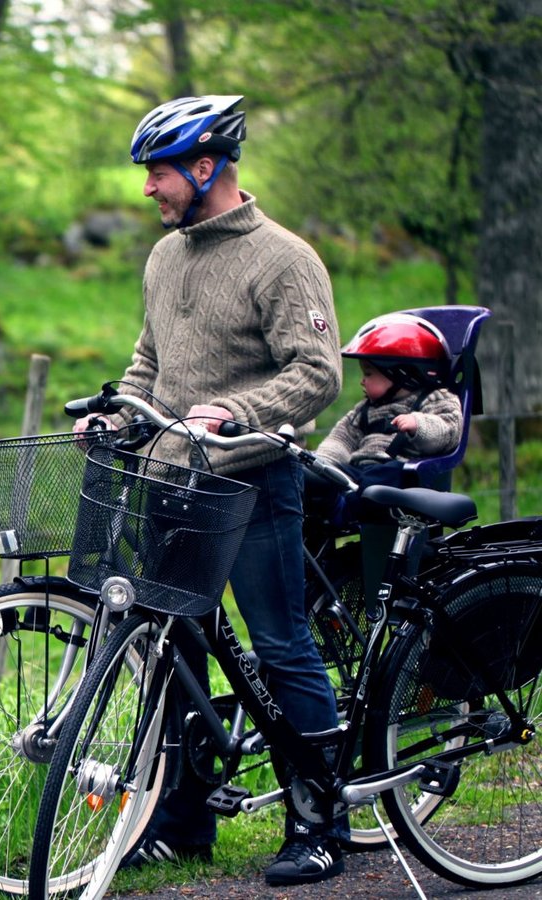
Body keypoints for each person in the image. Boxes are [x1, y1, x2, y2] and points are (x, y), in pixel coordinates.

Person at [75, 94, 347, 886]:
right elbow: (150, 364)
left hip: (255, 483)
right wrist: (119, 414)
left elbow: (316, 373)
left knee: (281, 646)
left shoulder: (282, 258)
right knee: (177, 654)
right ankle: (182, 823)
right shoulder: (165, 257)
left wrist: (239, 411)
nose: (148, 190)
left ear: (205, 168)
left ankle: (321, 821)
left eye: (158, 173)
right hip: (173, 485)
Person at [315, 312, 463, 485]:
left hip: (400, 472)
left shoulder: (434, 399)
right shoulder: (365, 409)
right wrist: (322, 463)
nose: (363, 381)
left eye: (368, 374)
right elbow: (341, 439)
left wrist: (418, 425)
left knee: (381, 477)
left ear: (402, 375)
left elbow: (450, 429)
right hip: (359, 471)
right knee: (325, 483)